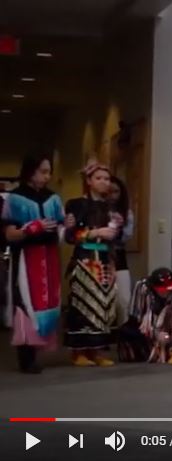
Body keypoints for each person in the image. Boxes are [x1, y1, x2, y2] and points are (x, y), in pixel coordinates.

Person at [2, 154, 64, 373]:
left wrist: (67, 226)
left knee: (47, 303)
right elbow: (9, 234)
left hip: (49, 256)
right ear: (30, 172)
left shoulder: (53, 198)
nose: (47, 176)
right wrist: (30, 229)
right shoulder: (15, 199)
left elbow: (61, 230)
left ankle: (37, 352)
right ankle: (26, 356)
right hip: (27, 259)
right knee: (25, 304)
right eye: (43, 171)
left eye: (49, 172)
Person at [64, 160, 120, 366]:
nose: (104, 182)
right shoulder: (76, 204)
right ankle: (78, 351)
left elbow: (114, 240)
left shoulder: (110, 208)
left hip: (104, 258)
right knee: (82, 303)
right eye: (99, 178)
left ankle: (97, 351)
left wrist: (113, 264)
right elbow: (71, 236)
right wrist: (96, 232)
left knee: (103, 304)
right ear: (89, 181)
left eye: (106, 179)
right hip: (85, 258)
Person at [108, 176, 135, 328]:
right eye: (109, 192)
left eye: (116, 192)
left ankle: (123, 335)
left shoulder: (127, 213)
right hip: (99, 255)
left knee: (124, 299)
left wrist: (117, 226)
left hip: (118, 255)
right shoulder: (97, 209)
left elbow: (126, 236)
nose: (112, 195)